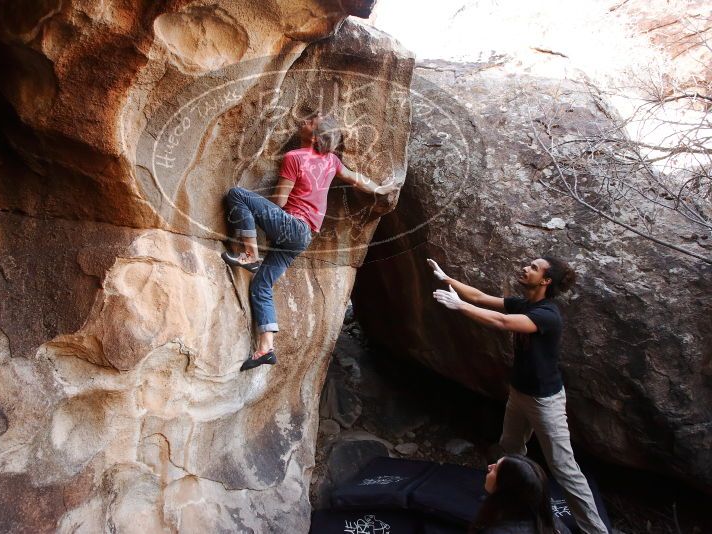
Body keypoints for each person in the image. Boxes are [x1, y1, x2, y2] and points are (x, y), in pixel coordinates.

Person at [428, 256, 608, 534]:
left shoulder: (547, 315)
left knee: (564, 469)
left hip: (545, 401)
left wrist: (459, 306)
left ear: (546, 281)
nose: (525, 268)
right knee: (510, 451)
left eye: (534, 268)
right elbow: (480, 297)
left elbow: (501, 322)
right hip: (519, 393)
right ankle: (504, 504)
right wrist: (446, 278)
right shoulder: (525, 304)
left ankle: (595, 530)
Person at [224, 113, 399, 371]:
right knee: (262, 284)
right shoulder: (331, 161)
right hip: (303, 237)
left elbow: (281, 202)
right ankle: (265, 348)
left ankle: (249, 255)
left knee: (237, 195)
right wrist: (380, 189)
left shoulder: (294, 157)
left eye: (310, 122)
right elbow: (355, 179)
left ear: (315, 137)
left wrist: (266, 216)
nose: (304, 121)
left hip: (292, 226)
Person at [473, 454, 565, 534]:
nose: (489, 467)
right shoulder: (549, 521)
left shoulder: (497, 531)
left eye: (496, 469)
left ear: (506, 486)